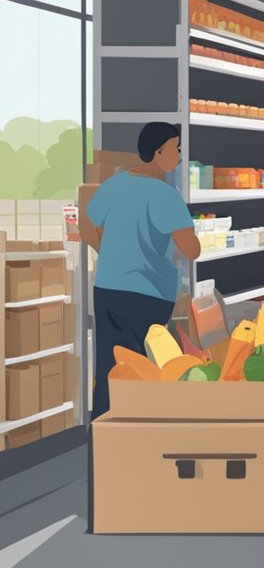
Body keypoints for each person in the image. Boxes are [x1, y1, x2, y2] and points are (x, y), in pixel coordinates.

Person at [81, 123, 201, 418]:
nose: (180, 156)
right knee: (146, 371)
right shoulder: (165, 195)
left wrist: (108, 252)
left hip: (108, 289)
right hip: (148, 294)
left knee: (110, 370)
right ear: (159, 152)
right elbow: (191, 250)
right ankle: (141, 443)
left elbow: (85, 224)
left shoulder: (114, 184)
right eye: (177, 149)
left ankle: (104, 445)